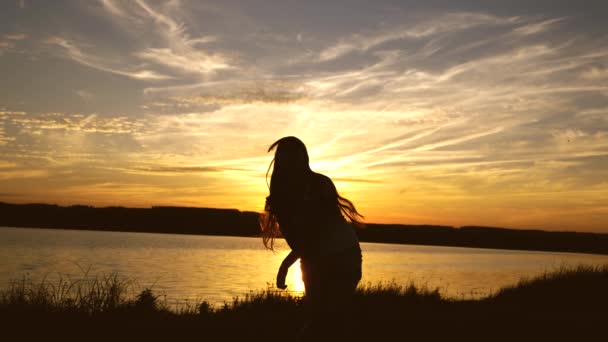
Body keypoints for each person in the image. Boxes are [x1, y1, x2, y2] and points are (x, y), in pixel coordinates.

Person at [260, 136, 363, 340]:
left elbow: (316, 233)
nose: (290, 162)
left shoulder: (320, 184)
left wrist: (285, 265)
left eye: (294, 156)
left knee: (326, 318)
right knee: (321, 318)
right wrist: (296, 260)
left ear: (303, 158)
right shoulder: (281, 194)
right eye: (285, 157)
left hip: (343, 255)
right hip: (316, 258)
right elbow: (302, 239)